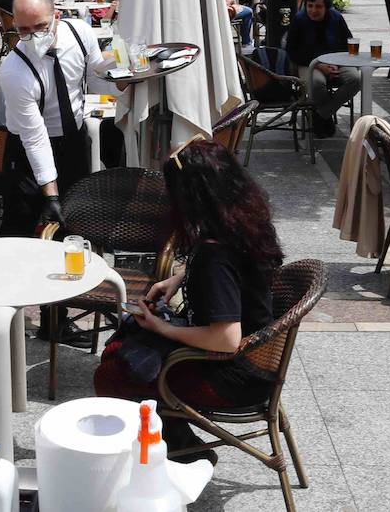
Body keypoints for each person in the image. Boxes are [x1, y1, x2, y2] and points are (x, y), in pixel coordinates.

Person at [94, 139, 283, 465]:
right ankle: (179, 441)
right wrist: (180, 276)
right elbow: (229, 269)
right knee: (128, 356)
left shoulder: (214, 256)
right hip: (256, 365)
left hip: (232, 376)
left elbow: (225, 339)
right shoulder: (243, 222)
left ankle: (181, 454)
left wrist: (161, 327)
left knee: (112, 372)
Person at [0, 0, 108, 356]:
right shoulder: (15, 70)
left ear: (57, 18)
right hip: (28, 153)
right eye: (25, 30)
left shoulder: (81, 33)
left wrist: (132, 78)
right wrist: (50, 193)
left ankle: (55, 320)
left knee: (67, 237)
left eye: (40, 27)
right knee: (17, 238)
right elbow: (33, 139)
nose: (32, 36)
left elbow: (98, 81)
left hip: (73, 141)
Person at [285, 0, 359, 138]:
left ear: (327, 7)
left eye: (318, 6)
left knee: (356, 79)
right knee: (317, 83)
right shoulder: (299, 20)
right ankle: (325, 117)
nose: (313, 10)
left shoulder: (336, 17)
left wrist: (337, 63)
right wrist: (318, 65)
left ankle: (321, 114)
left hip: (337, 61)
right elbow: (292, 51)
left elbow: (348, 42)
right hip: (309, 62)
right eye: (310, 6)